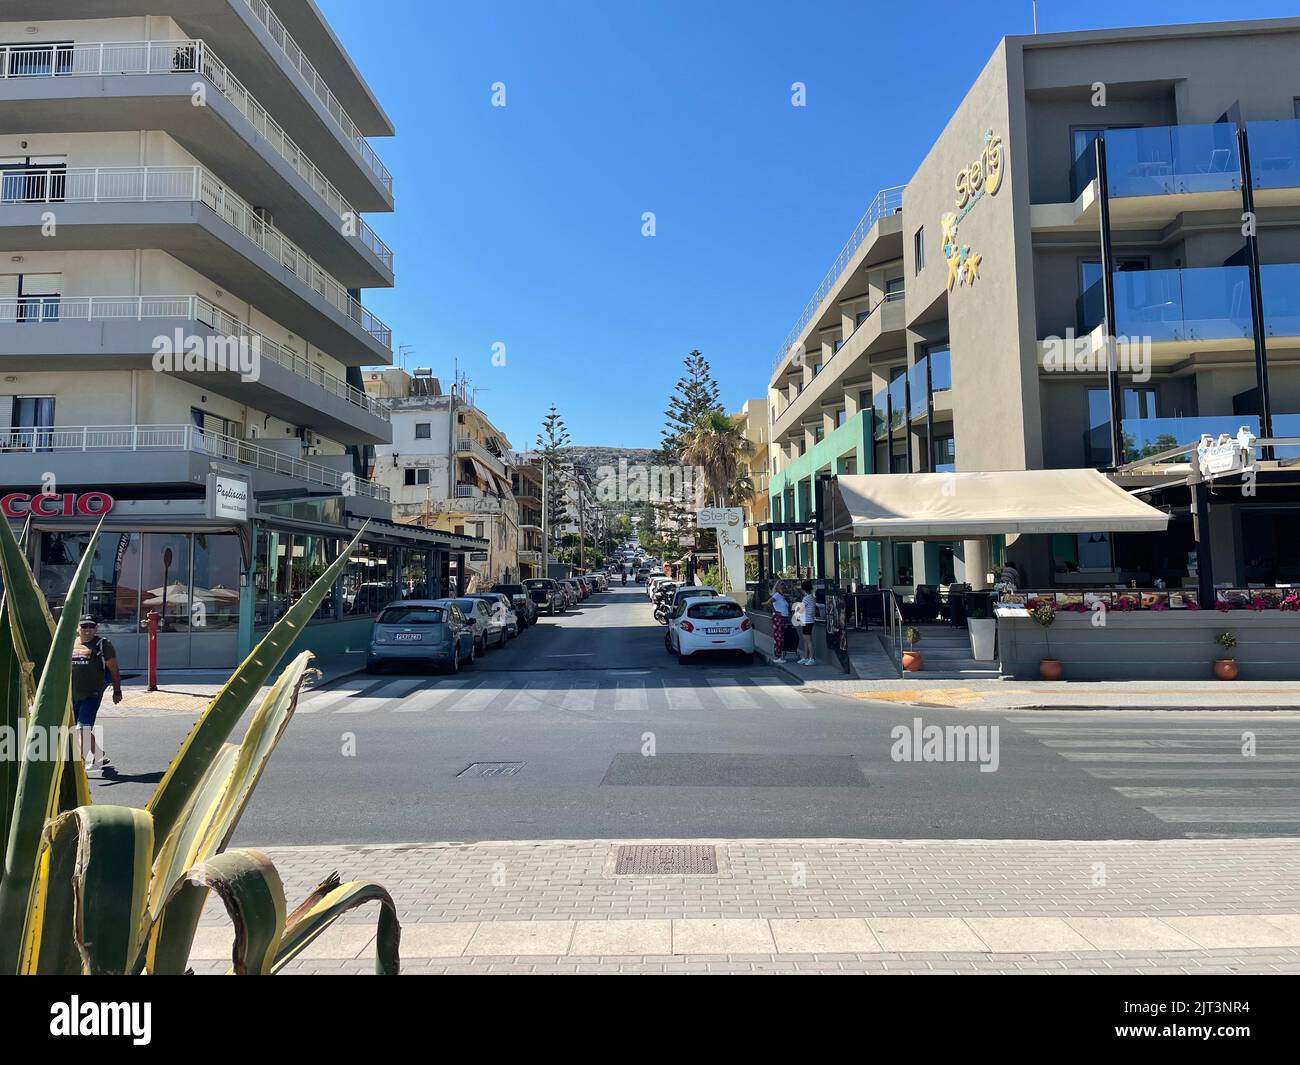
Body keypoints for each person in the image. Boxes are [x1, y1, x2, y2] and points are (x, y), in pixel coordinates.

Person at [71, 615, 122, 773]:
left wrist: (117, 691)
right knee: (77, 728)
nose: (88, 629)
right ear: (78, 628)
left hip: (92, 694)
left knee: (82, 729)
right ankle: (98, 754)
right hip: (72, 696)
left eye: (91, 626)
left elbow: (114, 669)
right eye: (84, 626)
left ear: (96, 628)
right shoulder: (71, 643)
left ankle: (79, 768)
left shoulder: (103, 644)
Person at [798, 581, 817, 666]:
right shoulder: (811, 597)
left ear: (803, 589)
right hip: (808, 620)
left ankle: (812, 658)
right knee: (805, 640)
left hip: (807, 621)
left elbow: (801, 609)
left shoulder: (806, 598)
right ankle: (806, 657)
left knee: (808, 640)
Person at [770, 582, 791, 662]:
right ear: (778, 588)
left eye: (784, 588)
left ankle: (779, 655)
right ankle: (777, 656)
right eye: (782, 588)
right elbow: (769, 602)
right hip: (778, 618)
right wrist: (775, 611)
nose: (783, 589)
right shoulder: (776, 595)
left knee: (781, 637)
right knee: (779, 637)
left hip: (783, 618)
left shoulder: (782, 596)